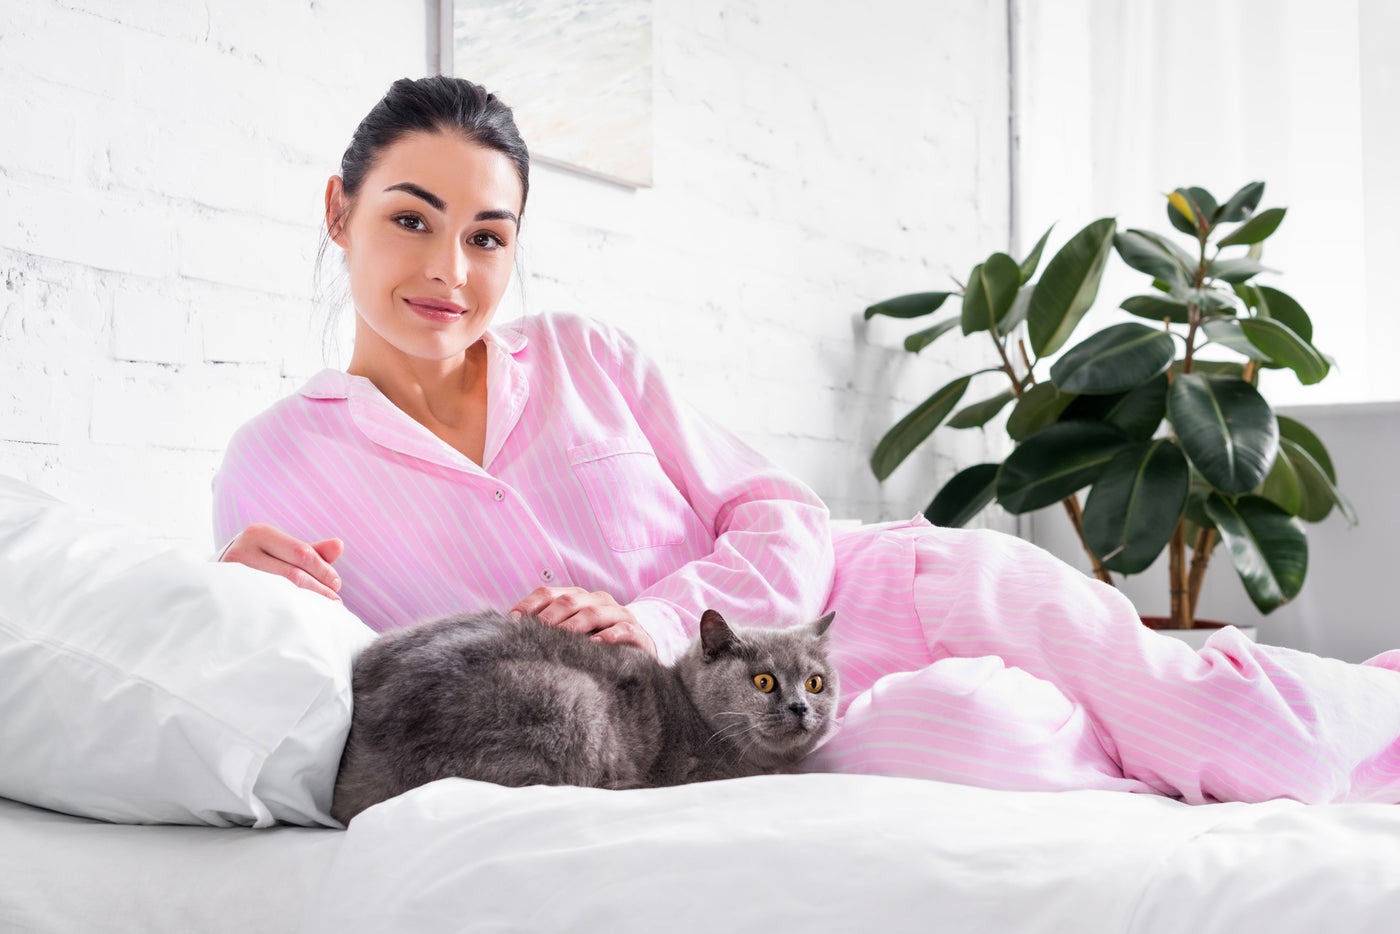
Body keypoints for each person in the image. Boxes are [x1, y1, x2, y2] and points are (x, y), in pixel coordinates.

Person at [214, 75, 1400, 806]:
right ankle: (1164, 730)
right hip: (747, 736)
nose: (449, 270)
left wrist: (667, 622)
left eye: (488, 235)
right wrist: (245, 605)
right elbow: (335, 691)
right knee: (976, 739)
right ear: (340, 210)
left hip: (872, 596)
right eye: (410, 219)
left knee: (1236, 731)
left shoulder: (586, 356)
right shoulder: (276, 465)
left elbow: (776, 512)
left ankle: (1329, 712)